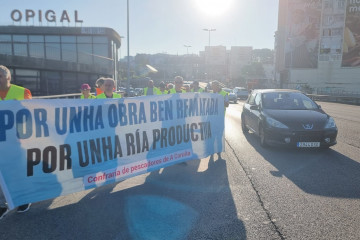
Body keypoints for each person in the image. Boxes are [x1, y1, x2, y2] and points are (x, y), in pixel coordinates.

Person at [0, 65, 32, 219]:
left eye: (0, 76)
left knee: (19, 171)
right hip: (1, 141)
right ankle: (2, 204)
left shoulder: (22, 92)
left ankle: (24, 198)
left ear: (8, 77)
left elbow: (32, 114)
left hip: (18, 140)